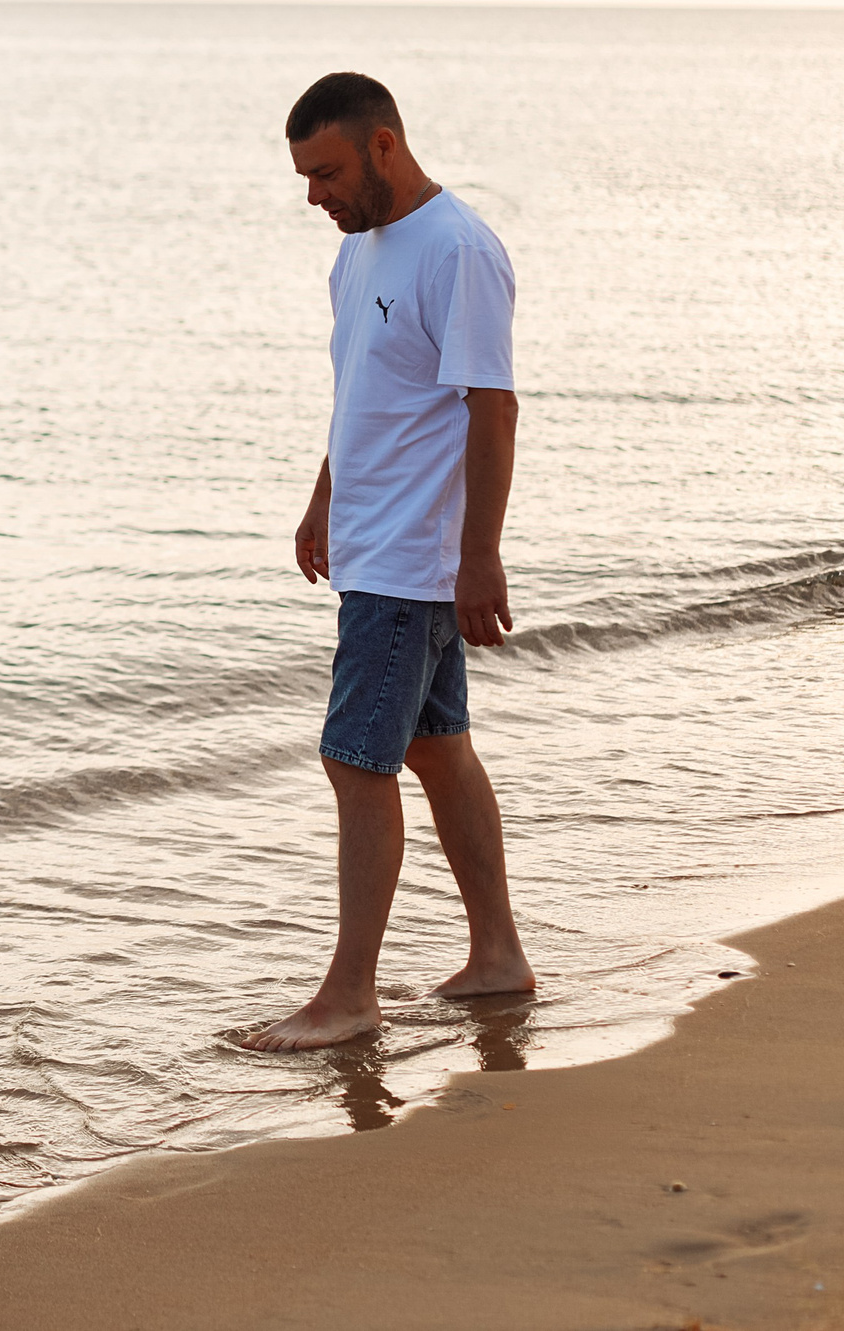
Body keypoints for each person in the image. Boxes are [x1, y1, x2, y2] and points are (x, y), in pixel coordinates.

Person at [246, 74, 537, 1053]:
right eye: (302, 177)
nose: (313, 195)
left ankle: (348, 996)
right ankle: (496, 956)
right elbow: (363, 390)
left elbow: (489, 408)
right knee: (432, 749)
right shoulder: (363, 253)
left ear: (381, 147)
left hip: (415, 560)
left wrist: (478, 556)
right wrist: (324, 497)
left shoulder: (455, 252)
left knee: (353, 758)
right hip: (374, 543)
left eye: (324, 171)